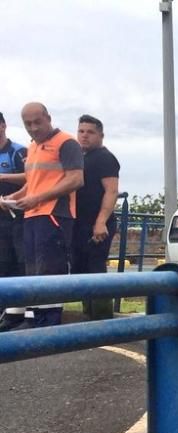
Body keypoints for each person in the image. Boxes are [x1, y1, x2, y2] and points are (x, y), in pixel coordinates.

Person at [1, 103, 84, 328]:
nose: (33, 128)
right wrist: (13, 199)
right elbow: (33, 185)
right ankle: (33, 318)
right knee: (33, 269)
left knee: (50, 269)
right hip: (32, 214)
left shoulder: (66, 143)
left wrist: (37, 198)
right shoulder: (33, 147)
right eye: (28, 124)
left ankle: (48, 322)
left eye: (38, 122)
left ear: (48, 117)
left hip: (55, 214)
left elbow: (76, 179)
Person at [73, 114, 119, 320]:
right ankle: (88, 317)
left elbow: (111, 191)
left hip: (98, 224)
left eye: (90, 132)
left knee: (95, 269)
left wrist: (100, 221)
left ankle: (102, 320)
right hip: (80, 223)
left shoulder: (105, 157)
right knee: (81, 268)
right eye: (81, 131)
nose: (84, 136)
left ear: (101, 135)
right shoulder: (81, 158)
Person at [0, 112, 28, 331]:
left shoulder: (19, 151)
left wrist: (3, 178)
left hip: (18, 216)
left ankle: (16, 313)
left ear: (3, 126)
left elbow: (32, 177)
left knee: (18, 262)